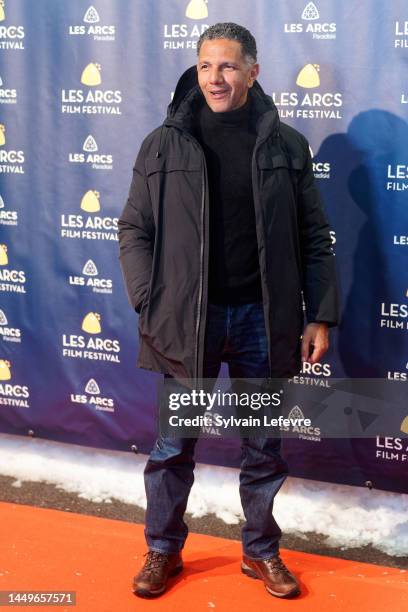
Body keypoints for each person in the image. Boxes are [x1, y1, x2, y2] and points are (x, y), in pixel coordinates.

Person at [118, 22, 339, 600]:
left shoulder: (285, 145)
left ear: (253, 72)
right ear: (196, 69)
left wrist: (320, 314)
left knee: (263, 445)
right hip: (187, 325)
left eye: (229, 66)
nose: (215, 78)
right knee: (173, 447)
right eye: (206, 66)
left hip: (261, 324)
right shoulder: (164, 142)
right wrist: (149, 300)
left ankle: (261, 552)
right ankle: (162, 551)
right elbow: (134, 229)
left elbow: (314, 235)